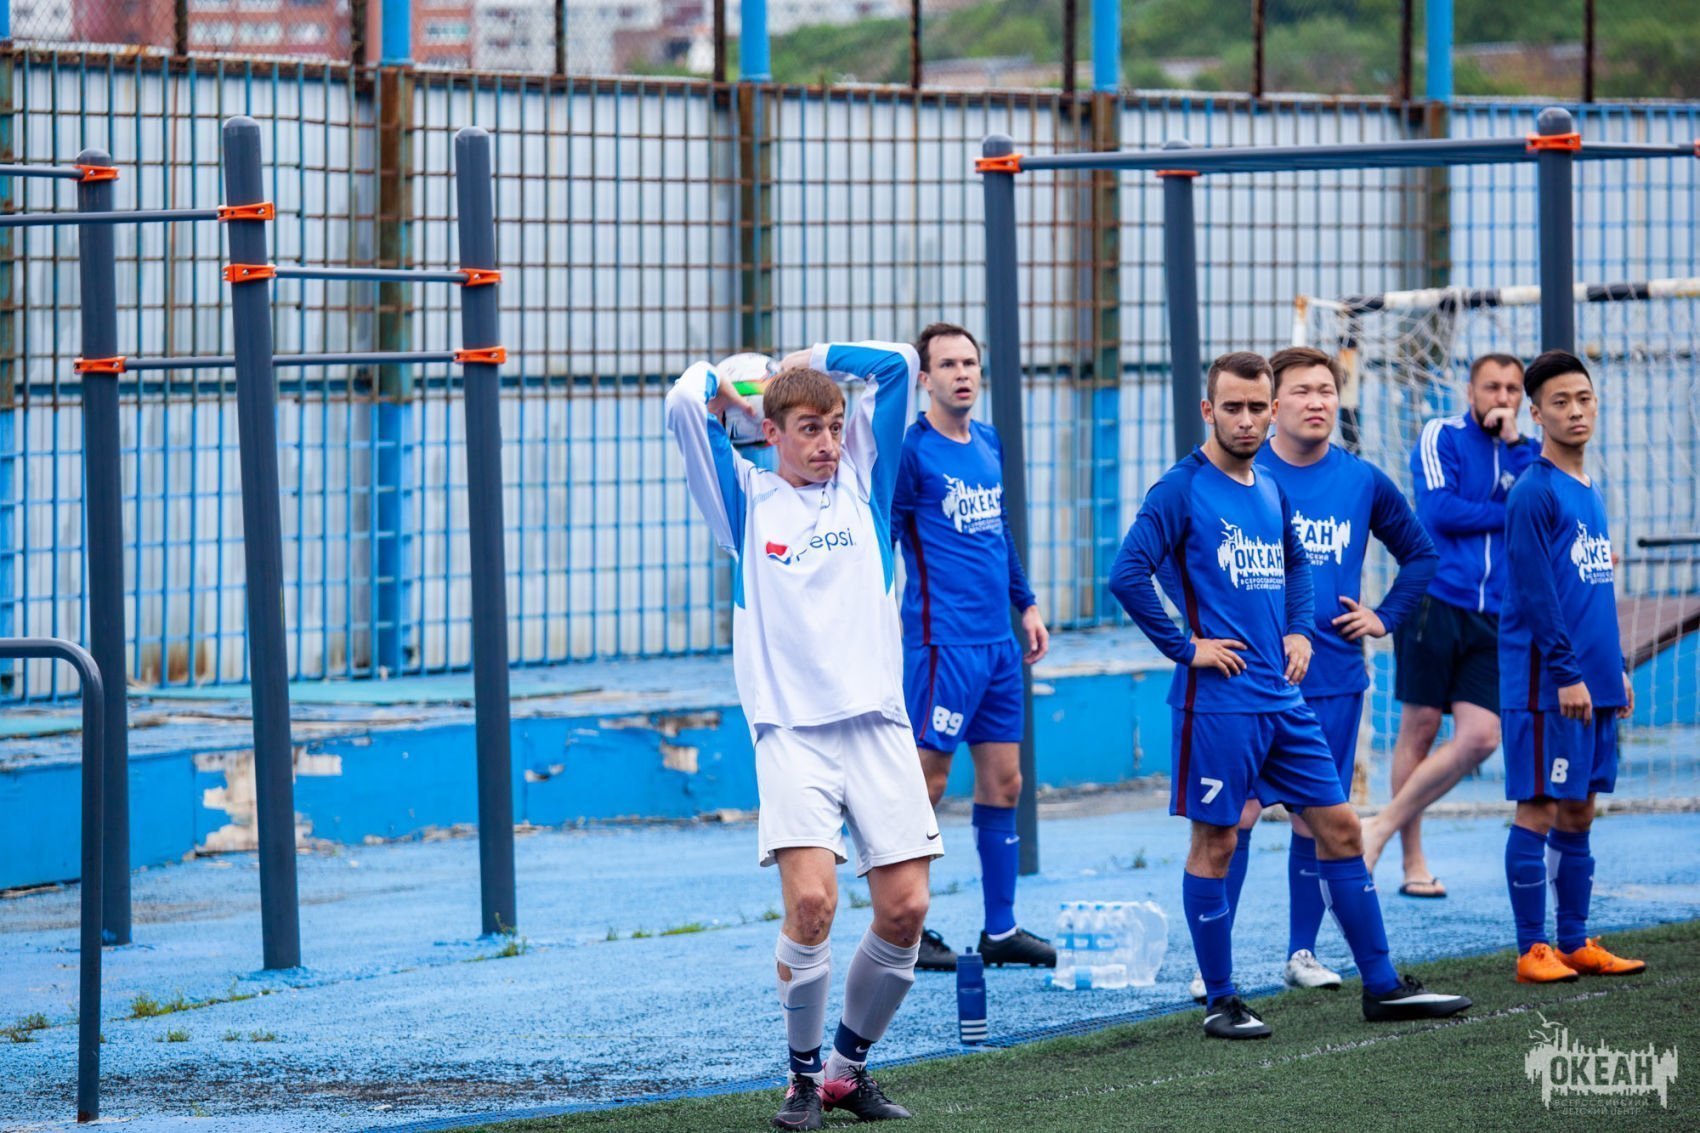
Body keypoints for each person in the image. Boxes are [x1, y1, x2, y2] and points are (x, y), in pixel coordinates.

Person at [1109, 351, 1470, 1040]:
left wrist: (1299, 629)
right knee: (1217, 840)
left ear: (1270, 410)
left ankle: (1382, 986)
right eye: (1233, 408)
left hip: (1283, 699)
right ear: (1209, 411)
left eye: (1256, 407)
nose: (1246, 419)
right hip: (1219, 704)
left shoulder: (1268, 489)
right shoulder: (1181, 488)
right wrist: (1186, 648)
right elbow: (1128, 572)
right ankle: (1221, 998)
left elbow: (1296, 565)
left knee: (1340, 828)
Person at [666, 341, 935, 1130]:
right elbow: (684, 404)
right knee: (813, 903)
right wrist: (730, 386)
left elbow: (898, 363)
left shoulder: (865, 484)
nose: (826, 442)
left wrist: (810, 357)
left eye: (835, 425)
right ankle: (802, 1079)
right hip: (792, 735)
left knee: (906, 911)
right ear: (773, 433)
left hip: (878, 725)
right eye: (809, 427)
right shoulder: (744, 502)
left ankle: (848, 1071)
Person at [1182, 347, 1439, 1000]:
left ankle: (1303, 951)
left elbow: (1419, 553)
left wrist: (1383, 616)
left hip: (1333, 679)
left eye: (1327, 389)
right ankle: (1214, 967)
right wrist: (1192, 638)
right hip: (1246, 686)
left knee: (1317, 821)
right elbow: (1164, 562)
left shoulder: (1362, 479)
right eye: (1302, 390)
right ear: (1275, 406)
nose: (1317, 401)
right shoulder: (1239, 473)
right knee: (1236, 819)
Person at [887, 323, 1053, 973]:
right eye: (948, 364)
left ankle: (1000, 929)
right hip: (941, 645)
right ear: (924, 379)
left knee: (1005, 783)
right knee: (925, 783)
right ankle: (904, 928)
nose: (962, 374)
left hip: (997, 645)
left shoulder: (987, 441)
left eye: (970, 362)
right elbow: (885, 534)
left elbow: (998, 530)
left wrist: (1026, 603)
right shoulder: (911, 452)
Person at [1361, 354, 1537, 894]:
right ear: (1470, 390)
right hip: (1435, 601)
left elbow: (1545, 508)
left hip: (1496, 612)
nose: (1502, 397)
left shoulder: (1529, 453)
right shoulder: (1443, 435)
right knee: (1418, 729)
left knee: (1482, 737)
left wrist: (1515, 447)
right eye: (1492, 387)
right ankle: (1412, 862)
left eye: (1512, 389)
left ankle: (1380, 826)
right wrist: (1511, 511)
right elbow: (1440, 512)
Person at [1498, 350, 1646, 984]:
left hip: (1593, 681)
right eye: (1560, 402)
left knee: (1581, 812)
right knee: (1538, 809)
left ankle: (1575, 940)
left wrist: (1614, 670)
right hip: (1548, 686)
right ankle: (1532, 949)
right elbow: (1536, 596)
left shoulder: (1589, 490)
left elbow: (1592, 593)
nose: (1575, 411)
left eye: (1583, 399)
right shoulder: (1532, 492)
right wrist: (1566, 674)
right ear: (1536, 414)